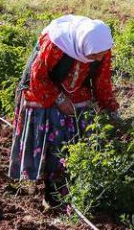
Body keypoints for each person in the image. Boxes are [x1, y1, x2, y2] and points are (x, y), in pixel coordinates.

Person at [8, 15, 119, 208]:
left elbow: (102, 81)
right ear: (83, 44)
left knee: (88, 129)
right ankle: (52, 193)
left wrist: (110, 108)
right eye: (94, 55)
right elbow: (38, 77)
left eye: (100, 54)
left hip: (76, 90)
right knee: (56, 131)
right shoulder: (56, 43)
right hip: (43, 89)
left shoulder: (101, 48)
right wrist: (59, 99)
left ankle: (77, 186)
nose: (98, 58)